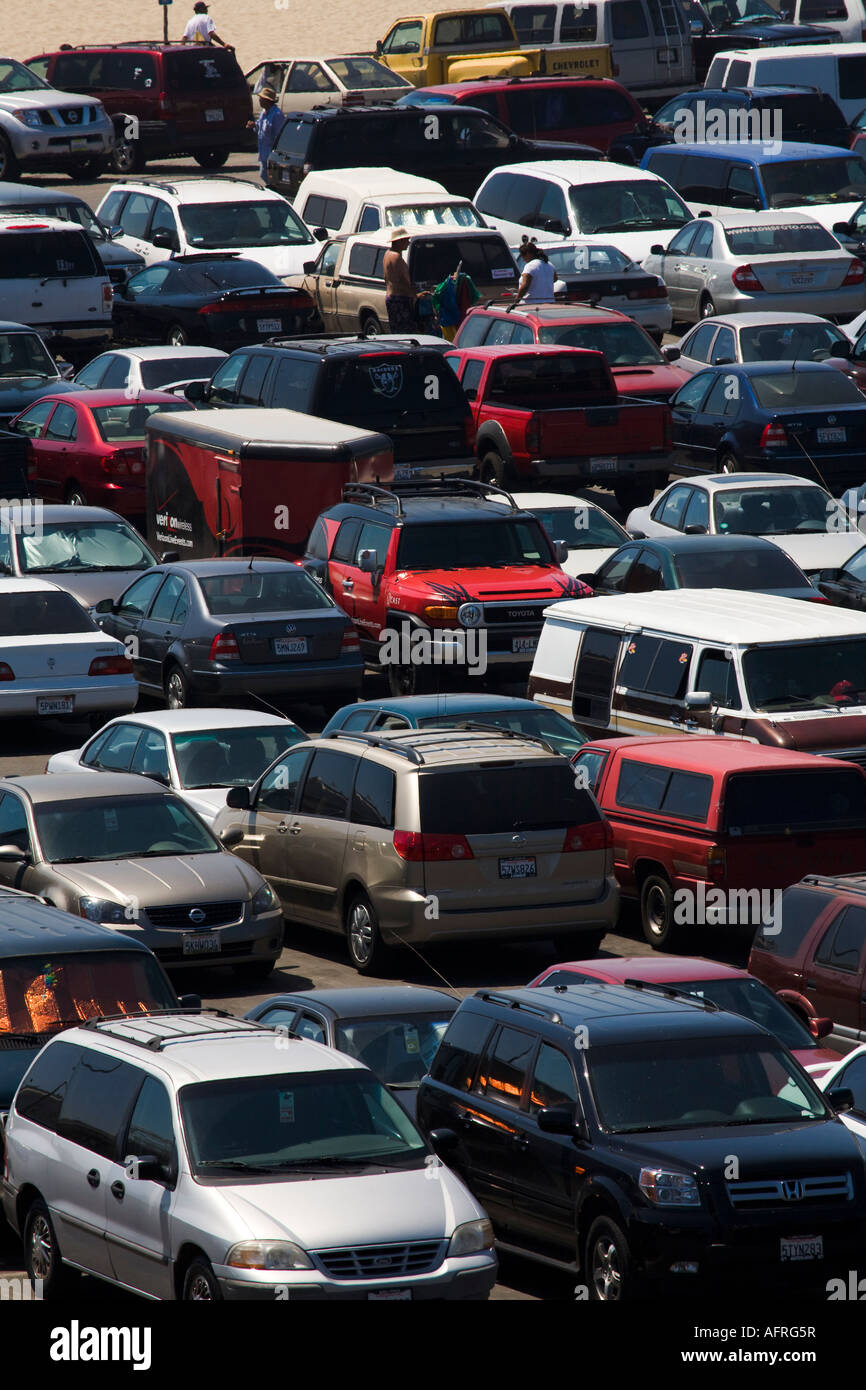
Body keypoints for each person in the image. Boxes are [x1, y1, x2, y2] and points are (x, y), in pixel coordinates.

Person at [383, 228, 427, 333]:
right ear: (399, 241)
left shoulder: (387, 254)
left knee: (397, 330)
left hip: (391, 297)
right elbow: (403, 282)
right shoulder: (396, 257)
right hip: (400, 299)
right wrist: (416, 296)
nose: (408, 243)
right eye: (406, 240)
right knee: (407, 331)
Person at [246, 86, 285, 185]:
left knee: (268, 175)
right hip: (263, 151)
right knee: (264, 174)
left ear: (268, 101)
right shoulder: (263, 113)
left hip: (271, 153)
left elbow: (279, 135)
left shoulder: (277, 115)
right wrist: (254, 125)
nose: (259, 101)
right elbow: (260, 126)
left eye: (261, 99)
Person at [507, 237, 556, 309]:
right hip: (549, 304)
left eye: (523, 255)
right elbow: (555, 278)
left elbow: (525, 286)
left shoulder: (530, 266)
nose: (523, 258)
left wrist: (515, 301)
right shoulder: (549, 265)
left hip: (531, 306)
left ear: (528, 253)